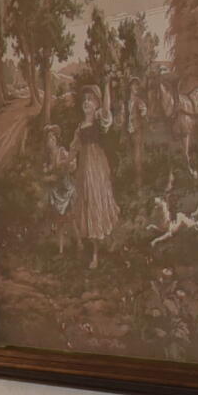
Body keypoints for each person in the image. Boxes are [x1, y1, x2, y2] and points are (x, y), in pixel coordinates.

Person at [67, 85, 121, 268]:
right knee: (88, 203)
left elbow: (106, 111)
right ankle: (95, 250)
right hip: (84, 168)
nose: (87, 102)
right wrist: (66, 162)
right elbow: (74, 148)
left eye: (90, 99)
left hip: (97, 166)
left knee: (99, 200)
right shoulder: (80, 127)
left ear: (97, 103)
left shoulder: (99, 119)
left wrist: (107, 85)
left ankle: (100, 250)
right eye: (84, 100)